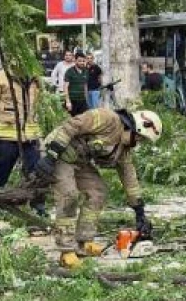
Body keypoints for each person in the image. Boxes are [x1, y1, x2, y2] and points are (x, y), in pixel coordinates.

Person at [32, 108, 163, 268]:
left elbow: (129, 176)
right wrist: (51, 156)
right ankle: (66, 251)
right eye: (140, 138)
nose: (138, 143)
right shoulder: (107, 119)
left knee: (97, 191)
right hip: (58, 153)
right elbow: (71, 125)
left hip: (79, 160)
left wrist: (139, 210)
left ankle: (84, 242)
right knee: (69, 195)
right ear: (135, 128)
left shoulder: (123, 149)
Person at [0, 68, 45, 215]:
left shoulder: (35, 78)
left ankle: (38, 205)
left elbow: (40, 104)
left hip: (30, 134)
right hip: (7, 134)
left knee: (36, 171)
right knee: (1, 170)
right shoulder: (1, 77)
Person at [63, 51, 90, 115]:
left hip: (82, 101)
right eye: (80, 61)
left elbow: (85, 86)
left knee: (83, 121)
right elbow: (65, 87)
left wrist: (86, 101)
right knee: (72, 122)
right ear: (75, 61)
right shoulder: (69, 71)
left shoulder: (86, 71)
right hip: (72, 101)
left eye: (83, 61)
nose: (82, 63)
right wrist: (68, 102)